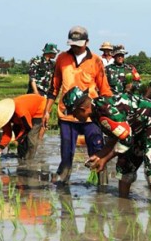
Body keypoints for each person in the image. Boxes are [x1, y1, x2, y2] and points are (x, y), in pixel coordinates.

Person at [62, 86, 151, 204]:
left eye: (74, 113)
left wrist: (105, 159)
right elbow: (116, 135)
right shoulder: (95, 113)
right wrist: (100, 155)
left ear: (82, 109)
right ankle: (123, 207)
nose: (74, 117)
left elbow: (126, 140)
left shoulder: (105, 111)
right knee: (124, 166)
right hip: (134, 128)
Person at [42, 26, 112, 185]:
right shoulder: (61, 59)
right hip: (67, 115)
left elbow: (105, 89)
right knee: (66, 153)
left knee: (97, 152)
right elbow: (54, 87)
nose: (75, 46)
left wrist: (108, 113)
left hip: (90, 116)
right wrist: (46, 112)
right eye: (72, 43)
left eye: (78, 43)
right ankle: (62, 186)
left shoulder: (95, 60)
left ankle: (102, 188)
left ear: (87, 42)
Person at [0, 94, 47, 160]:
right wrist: (0, 147)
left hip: (39, 108)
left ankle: (29, 161)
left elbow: (27, 128)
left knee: (31, 137)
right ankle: (21, 156)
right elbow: (7, 133)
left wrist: (17, 141)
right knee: (16, 130)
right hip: (24, 115)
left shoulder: (20, 110)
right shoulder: (4, 117)